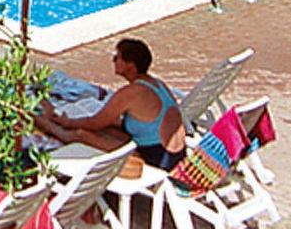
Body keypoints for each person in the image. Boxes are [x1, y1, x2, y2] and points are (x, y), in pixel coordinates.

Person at [35, 37, 187, 168]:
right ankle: (53, 122)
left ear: (130, 66)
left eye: (117, 58)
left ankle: (46, 124)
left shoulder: (131, 93)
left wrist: (67, 122)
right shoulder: (157, 84)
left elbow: (94, 123)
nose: (113, 61)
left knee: (82, 134)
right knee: (108, 129)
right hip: (174, 156)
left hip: (153, 160)